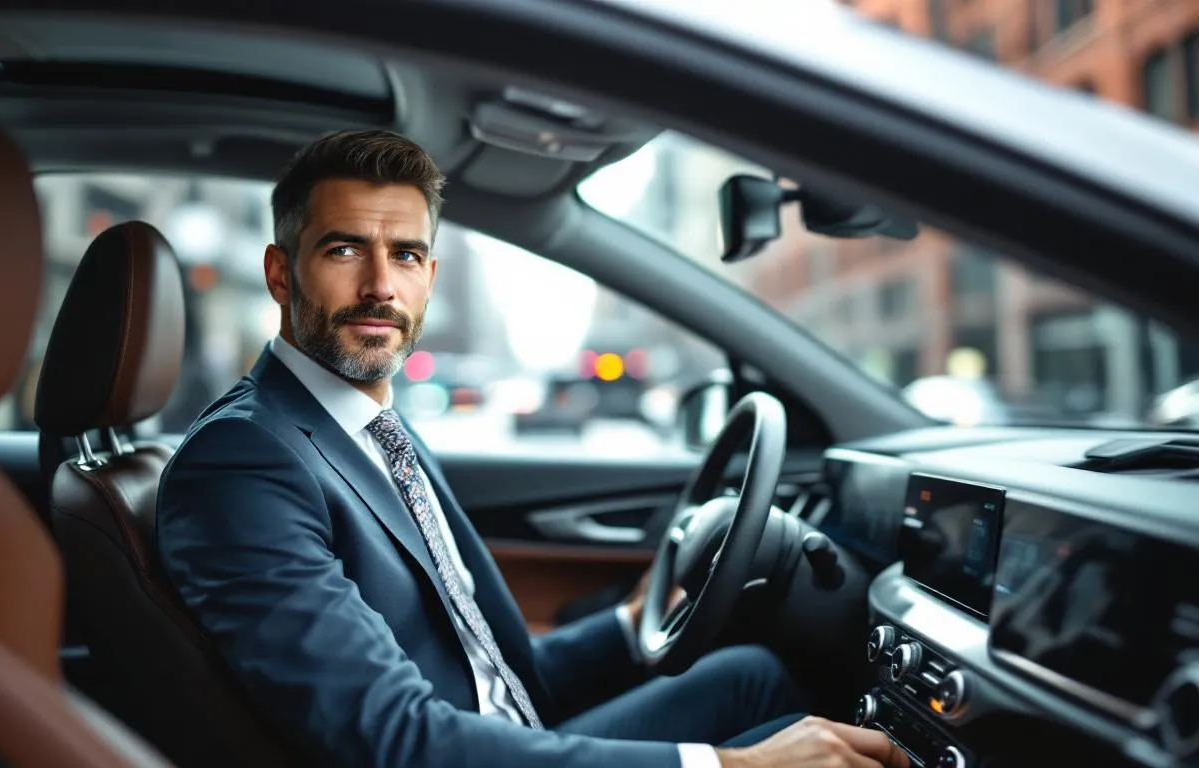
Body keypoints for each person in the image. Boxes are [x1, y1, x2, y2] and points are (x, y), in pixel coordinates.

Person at [156, 130, 908, 768]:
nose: (382, 284)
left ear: (430, 277)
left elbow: (487, 672)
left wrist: (625, 624)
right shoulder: (244, 463)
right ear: (281, 274)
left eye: (408, 255)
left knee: (749, 675)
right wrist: (727, 766)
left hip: (502, 738)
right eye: (346, 249)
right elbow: (395, 738)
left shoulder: (366, 424)